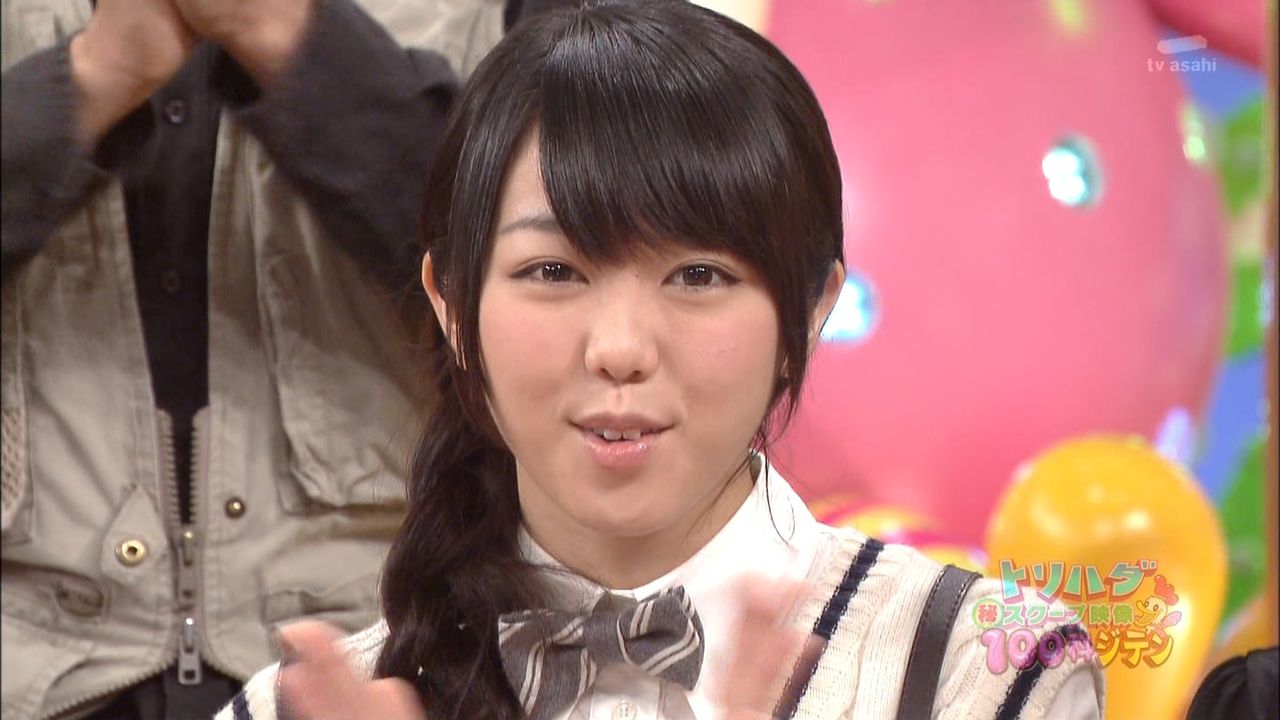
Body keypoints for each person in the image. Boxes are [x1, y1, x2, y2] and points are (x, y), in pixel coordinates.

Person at [218, 1, 1106, 718]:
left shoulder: (982, 670)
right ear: (451, 304)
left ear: (811, 308)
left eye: (698, 275)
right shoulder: (299, 710)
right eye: (554, 271)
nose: (619, 350)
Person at [0, 0, 556, 717]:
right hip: (29, 662)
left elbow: (575, 258)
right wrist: (94, 78)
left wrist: (283, 35)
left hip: (394, 657)